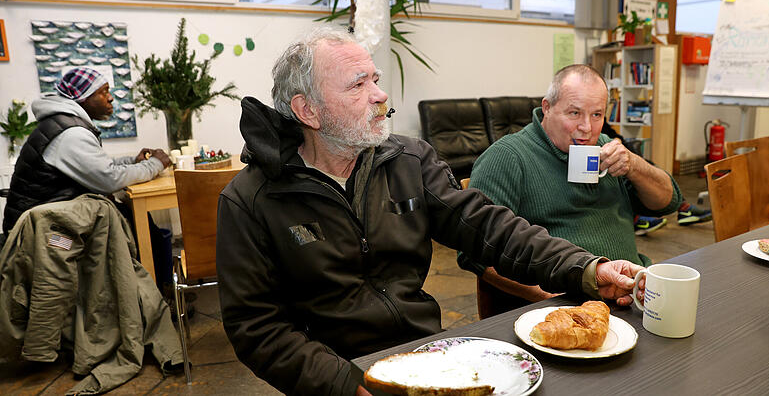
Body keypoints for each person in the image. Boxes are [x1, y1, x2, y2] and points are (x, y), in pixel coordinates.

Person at [216, 29, 647, 396]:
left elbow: (489, 227)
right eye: (357, 85)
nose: (380, 95)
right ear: (306, 111)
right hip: (335, 373)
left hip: (428, 353)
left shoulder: (407, 160)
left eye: (376, 80)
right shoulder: (250, 200)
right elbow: (257, 327)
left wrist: (587, 269)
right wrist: (347, 384)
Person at [459, 64, 682, 314]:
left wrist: (634, 165)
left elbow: (669, 202)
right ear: (547, 108)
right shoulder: (508, 157)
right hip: (562, 307)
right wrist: (553, 298)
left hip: (631, 295)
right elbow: (475, 251)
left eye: (597, 115)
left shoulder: (607, 148)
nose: (587, 128)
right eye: (574, 113)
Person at [2, 67, 172, 249]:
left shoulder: (64, 124)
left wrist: (132, 161)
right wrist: (155, 164)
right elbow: (109, 180)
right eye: (103, 92)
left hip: (46, 222)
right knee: (117, 235)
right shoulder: (71, 134)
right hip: (40, 237)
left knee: (134, 222)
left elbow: (98, 167)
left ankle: (146, 274)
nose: (110, 97)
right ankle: (148, 275)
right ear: (83, 98)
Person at [600, 120, 711, 232]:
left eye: (596, 114)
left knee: (646, 165)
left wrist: (614, 143)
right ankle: (636, 219)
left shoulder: (600, 121)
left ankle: (683, 208)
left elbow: (616, 136)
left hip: (611, 151)